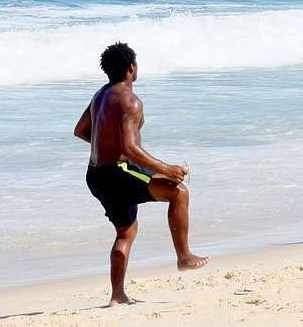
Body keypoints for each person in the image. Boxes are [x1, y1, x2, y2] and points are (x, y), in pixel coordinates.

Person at [73, 42, 208, 307]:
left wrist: (107, 147)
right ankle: (184, 257)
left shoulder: (100, 95)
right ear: (131, 68)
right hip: (117, 172)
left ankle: (117, 296)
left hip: (95, 174)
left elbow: (80, 130)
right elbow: (129, 148)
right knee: (178, 192)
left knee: (126, 232)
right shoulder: (130, 101)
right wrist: (165, 168)